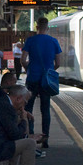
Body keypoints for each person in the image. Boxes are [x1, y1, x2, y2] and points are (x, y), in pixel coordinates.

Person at [22, 16, 62, 148]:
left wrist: (29, 69)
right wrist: (49, 72)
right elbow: (58, 63)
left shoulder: (30, 41)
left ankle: (30, 137)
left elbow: (23, 60)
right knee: (45, 109)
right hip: (46, 81)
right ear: (47, 27)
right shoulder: (53, 41)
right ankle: (45, 139)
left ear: (37, 27)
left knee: (28, 108)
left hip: (33, 78)